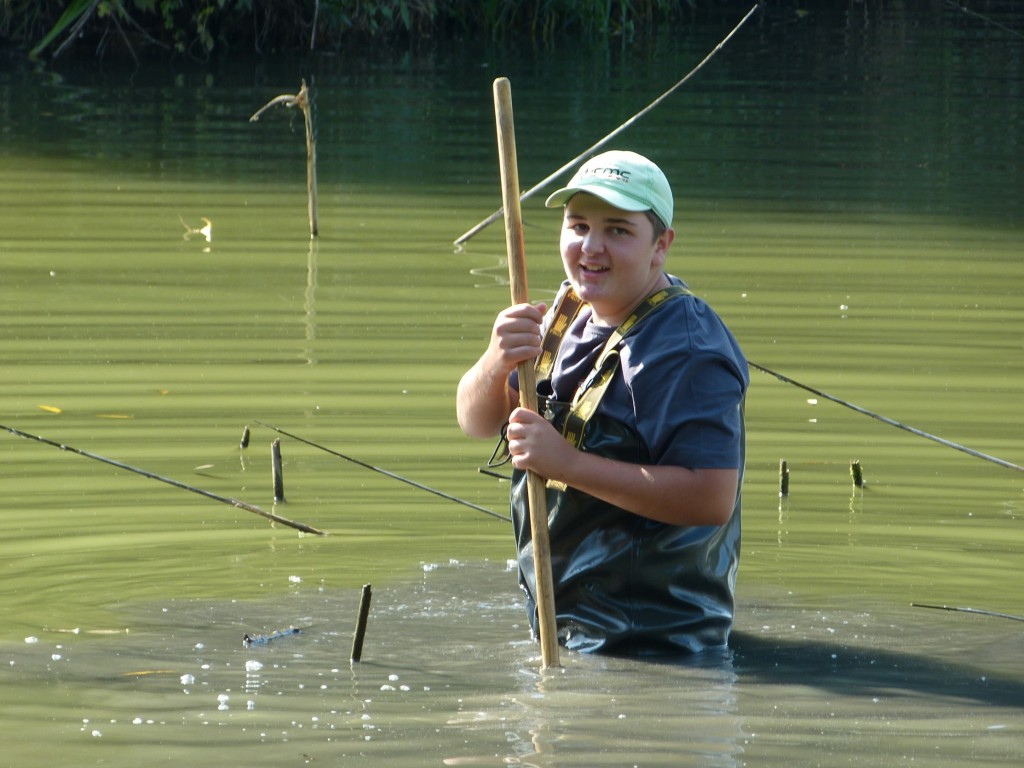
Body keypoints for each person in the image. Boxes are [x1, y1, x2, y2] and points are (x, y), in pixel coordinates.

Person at [457, 150, 748, 656]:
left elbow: (711, 498)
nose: (591, 247)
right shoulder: (566, 312)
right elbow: (476, 422)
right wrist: (495, 360)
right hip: (568, 628)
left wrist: (566, 463)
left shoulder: (688, 348)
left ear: (661, 247)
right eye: (578, 225)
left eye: (618, 230)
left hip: (655, 649)